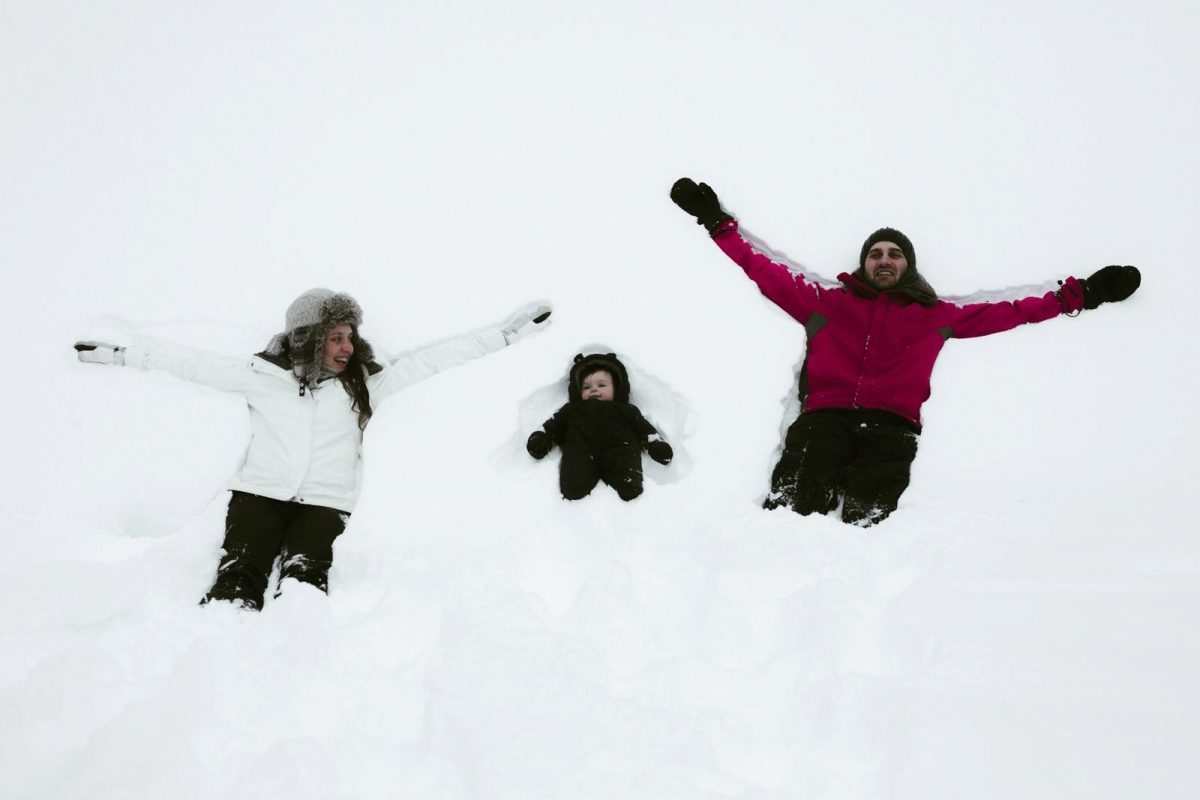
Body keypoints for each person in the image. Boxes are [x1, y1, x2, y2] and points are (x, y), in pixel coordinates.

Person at [670, 177, 1141, 526]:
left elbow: (1011, 311)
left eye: (894, 254)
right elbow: (761, 268)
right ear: (864, 264)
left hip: (891, 427)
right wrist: (716, 223)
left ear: (907, 266)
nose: (884, 260)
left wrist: (1081, 294)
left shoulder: (935, 316)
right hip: (825, 418)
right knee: (796, 503)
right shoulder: (826, 303)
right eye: (876, 254)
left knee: (869, 518)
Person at [76, 289, 552, 609]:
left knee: (304, 585)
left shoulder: (364, 385)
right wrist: (122, 356)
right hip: (259, 494)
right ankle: (223, 648)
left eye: (350, 337)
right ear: (308, 337)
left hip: (325, 502)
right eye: (336, 337)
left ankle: (290, 662)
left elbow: (434, 362)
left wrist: (508, 334)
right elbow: (192, 366)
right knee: (238, 576)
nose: (347, 347)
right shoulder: (262, 378)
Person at [526, 352, 673, 501]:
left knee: (629, 485)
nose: (593, 389)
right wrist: (543, 438)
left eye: (602, 385)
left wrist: (655, 444)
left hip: (619, 447)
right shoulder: (571, 409)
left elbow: (643, 428)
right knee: (573, 486)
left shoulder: (626, 410)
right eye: (586, 387)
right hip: (581, 448)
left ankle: (627, 485)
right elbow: (554, 425)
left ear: (616, 388)